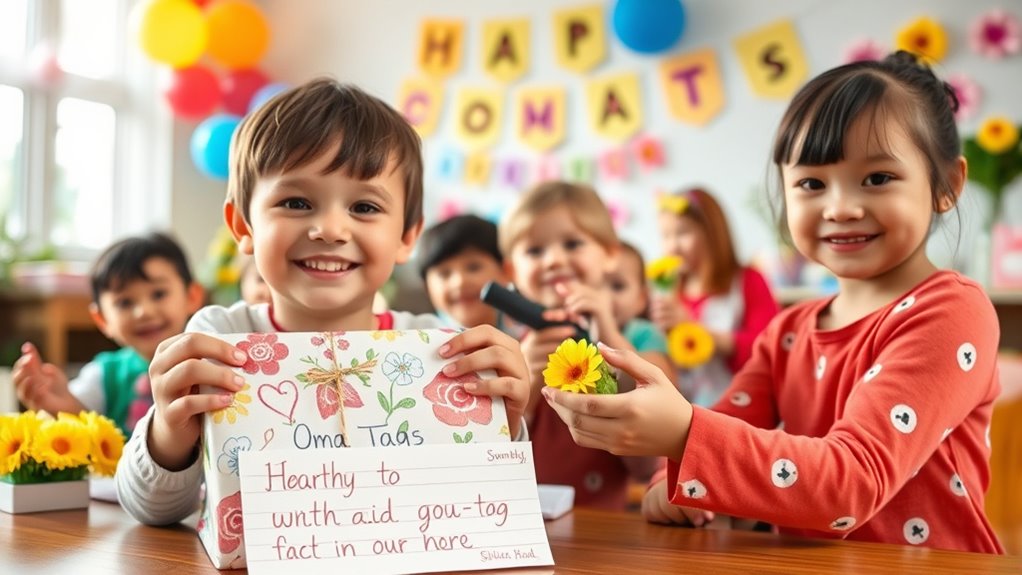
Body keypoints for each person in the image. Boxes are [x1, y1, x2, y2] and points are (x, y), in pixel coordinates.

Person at [541, 52, 1004, 553]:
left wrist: (683, 436)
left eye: (877, 178)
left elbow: (851, 483)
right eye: (811, 183)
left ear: (947, 186)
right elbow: (727, 422)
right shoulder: (790, 329)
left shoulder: (953, 310)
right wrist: (668, 478)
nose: (841, 207)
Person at [115, 79, 531, 525]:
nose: (330, 229)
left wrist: (504, 426)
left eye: (365, 208)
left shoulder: (438, 348)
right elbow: (151, 511)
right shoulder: (217, 340)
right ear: (242, 226)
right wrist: (168, 431)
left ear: (407, 236)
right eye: (296, 202)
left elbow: (484, 509)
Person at [499, 181, 659, 510]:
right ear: (512, 270)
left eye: (573, 244)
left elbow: (646, 463)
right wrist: (525, 383)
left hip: (607, 531)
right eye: (534, 251)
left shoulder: (632, 338)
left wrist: (609, 333)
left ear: (611, 254)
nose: (554, 260)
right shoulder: (507, 349)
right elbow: (492, 460)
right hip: (526, 523)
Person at [13, 232, 204, 437]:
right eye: (125, 302)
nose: (143, 312)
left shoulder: (208, 362)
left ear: (191, 296)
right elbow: (79, 420)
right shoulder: (104, 374)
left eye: (158, 294)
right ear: (102, 319)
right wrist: (60, 402)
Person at [651, 187, 779, 407]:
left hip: (739, 406)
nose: (672, 246)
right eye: (665, 236)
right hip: (684, 408)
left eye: (682, 233)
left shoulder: (748, 281)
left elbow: (767, 349)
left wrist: (694, 329)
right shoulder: (669, 290)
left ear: (711, 233)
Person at [417, 214, 511, 329]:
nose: (460, 282)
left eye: (473, 267)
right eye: (444, 274)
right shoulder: (424, 340)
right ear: (426, 288)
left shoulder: (530, 333)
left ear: (507, 271)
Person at [605, 242, 672, 377]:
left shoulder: (644, 332)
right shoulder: (581, 331)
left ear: (641, 298)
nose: (605, 296)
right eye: (595, 285)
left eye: (617, 286)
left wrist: (607, 328)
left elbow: (663, 379)